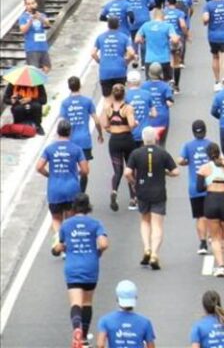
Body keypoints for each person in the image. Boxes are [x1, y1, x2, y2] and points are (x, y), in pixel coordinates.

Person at [53, 193, 108, 348]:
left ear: (74, 207)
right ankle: (83, 337)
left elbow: (59, 245)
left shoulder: (66, 225)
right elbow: (103, 243)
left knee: (76, 303)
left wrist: (58, 250)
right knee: (87, 302)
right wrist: (98, 253)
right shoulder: (96, 224)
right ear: (88, 207)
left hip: (72, 268)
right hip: (91, 267)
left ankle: (76, 328)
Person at [125, 127, 179, 271]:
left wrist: (133, 182)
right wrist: (165, 172)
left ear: (143, 139)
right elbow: (176, 171)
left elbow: (127, 172)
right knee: (157, 225)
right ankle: (155, 253)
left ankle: (147, 248)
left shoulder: (136, 153)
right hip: (159, 192)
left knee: (145, 221)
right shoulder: (162, 153)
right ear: (156, 138)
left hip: (142, 191)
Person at [36, 120, 89, 252]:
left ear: (57, 132)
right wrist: (76, 174)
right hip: (72, 188)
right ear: (70, 132)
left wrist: (49, 175)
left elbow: (39, 167)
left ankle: (59, 241)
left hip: (55, 189)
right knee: (70, 219)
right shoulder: (76, 149)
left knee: (56, 218)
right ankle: (69, 246)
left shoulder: (49, 149)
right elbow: (85, 170)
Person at [197, 142, 224, 277]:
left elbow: (199, 188)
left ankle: (220, 266)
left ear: (207, 155)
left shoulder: (204, 168)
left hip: (211, 200)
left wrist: (209, 187)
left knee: (215, 237)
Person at [60, 76, 102, 193]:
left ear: (69, 87)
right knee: (84, 170)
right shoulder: (87, 101)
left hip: (70, 141)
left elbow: (61, 122)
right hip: (84, 141)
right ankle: (81, 194)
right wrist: (100, 134)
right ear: (80, 86)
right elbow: (97, 121)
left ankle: (72, 192)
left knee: (71, 169)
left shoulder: (65, 103)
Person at [179, 120, 214, 255]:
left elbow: (180, 160)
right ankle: (212, 235)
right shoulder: (211, 145)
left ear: (193, 132)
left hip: (195, 187)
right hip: (210, 185)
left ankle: (203, 242)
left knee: (200, 216)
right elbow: (220, 159)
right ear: (205, 131)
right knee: (210, 215)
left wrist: (188, 161)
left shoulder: (188, 146)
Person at [102, 84, 137, 211]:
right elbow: (132, 124)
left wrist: (112, 128)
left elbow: (105, 124)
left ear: (112, 94)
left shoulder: (108, 108)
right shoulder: (128, 108)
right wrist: (135, 123)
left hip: (114, 140)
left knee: (118, 171)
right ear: (124, 94)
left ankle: (114, 191)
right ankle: (133, 198)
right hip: (127, 139)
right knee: (130, 169)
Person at [96, 280, 156, 348]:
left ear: (117, 299)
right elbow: (151, 346)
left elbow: (100, 344)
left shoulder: (105, 320)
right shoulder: (145, 322)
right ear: (135, 298)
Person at [93, 17, 136, 98]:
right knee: (120, 98)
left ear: (108, 25)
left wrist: (99, 61)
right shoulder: (124, 37)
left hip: (105, 71)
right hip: (119, 71)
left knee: (107, 99)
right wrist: (127, 61)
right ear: (118, 25)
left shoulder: (100, 37)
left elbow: (93, 53)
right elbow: (131, 52)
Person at [134, 8, 180, 82]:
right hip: (164, 59)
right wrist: (177, 39)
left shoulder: (146, 25)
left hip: (150, 59)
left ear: (153, 16)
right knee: (166, 82)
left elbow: (137, 39)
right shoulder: (168, 26)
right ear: (163, 16)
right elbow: (174, 40)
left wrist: (143, 40)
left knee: (150, 82)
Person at [19, 0, 52, 72]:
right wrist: (30, 21)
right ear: (25, 6)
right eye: (28, 4)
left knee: (47, 67)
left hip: (43, 46)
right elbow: (23, 30)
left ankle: (40, 83)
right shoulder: (23, 17)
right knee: (33, 70)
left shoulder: (41, 15)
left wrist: (39, 17)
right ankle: (37, 84)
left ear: (36, 4)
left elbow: (48, 24)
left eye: (33, 3)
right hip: (32, 47)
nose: (31, 5)